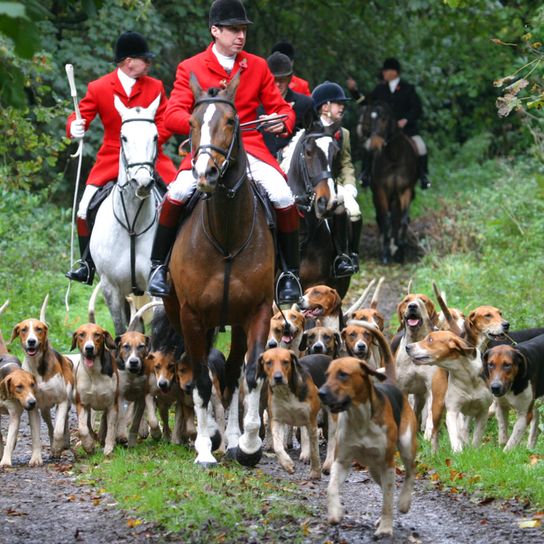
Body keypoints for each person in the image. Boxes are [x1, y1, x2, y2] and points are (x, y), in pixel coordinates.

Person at [147, 0, 302, 304]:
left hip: (250, 148)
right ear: (215, 31)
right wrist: (199, 123)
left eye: (243, 30)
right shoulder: (190, 67)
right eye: (233, 30)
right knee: (176, 193)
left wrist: (281, 122)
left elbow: (282, 109)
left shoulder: (257, 66)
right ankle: (159, 268)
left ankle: (289, 274)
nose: (240, 36)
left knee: (283, 195)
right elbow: (171, 113)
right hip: (207, 149)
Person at [65, 31, 177, 285]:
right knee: (83, 209)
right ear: (128, 61)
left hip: (150, 157)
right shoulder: (99, 87)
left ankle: (174, 259)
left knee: (179, 199)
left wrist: (149, 138)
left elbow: (167, 121)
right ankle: (86, 264)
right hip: (111, 157)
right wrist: (74, 127)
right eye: (144, 60)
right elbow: (79, 116)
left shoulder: (155, 87)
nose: (148, 64)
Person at [347, 58, 431, 190]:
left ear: (394, 72)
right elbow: (365, 102)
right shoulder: (380, 89)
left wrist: (406, 120)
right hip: (383, 133)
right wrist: (354, 91)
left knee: (421, 147)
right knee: (368, 146)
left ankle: (423, 177)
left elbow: (417, 109)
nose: (383, 73)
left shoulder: (408, 88)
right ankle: (365, 175)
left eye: (386, 71)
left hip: (406, 131)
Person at [312, 81, 362, 276]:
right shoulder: (307, 129)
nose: (342, 107)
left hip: (334, 183)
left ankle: (348, 255)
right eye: (338, 103)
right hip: (312, 183)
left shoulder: (344, 133)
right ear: (325, 107)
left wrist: (349, 186)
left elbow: (346, 164)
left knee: (355, 211)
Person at [261, 51, 315, 158]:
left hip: (294, 163)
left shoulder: (305, 104)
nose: (277, 84)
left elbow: (314, 136)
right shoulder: (254, 103)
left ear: (290, 78)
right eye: (273, 79)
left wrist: (293, 148)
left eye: (281, 80)